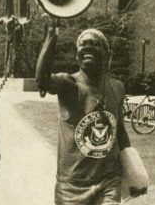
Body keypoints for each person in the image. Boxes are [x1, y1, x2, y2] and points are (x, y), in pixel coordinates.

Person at [36, 17, 132, 205]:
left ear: (107, 53)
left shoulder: (117, 87)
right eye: (83, 44)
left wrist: (134, 169)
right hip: (72, 186)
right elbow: (42, 80)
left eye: (94, 44)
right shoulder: (68, 84)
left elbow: (118, 130)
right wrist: (50, 37)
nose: (87, 46)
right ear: (77, 55)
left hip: (108, 181)